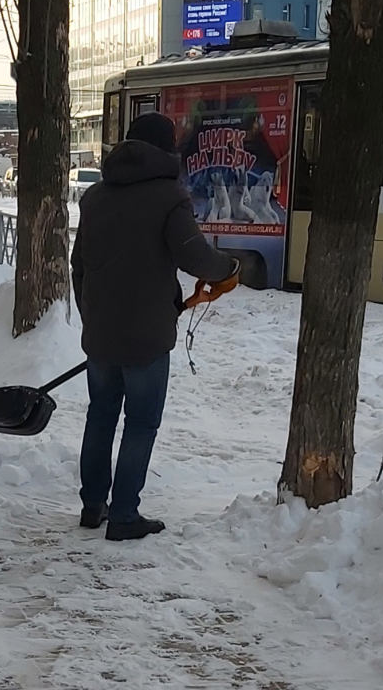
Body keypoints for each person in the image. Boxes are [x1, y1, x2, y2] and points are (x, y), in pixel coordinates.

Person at [71, 112, 240, 542]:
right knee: (141, 422)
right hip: (147, 337)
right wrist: (230, 269)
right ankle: (124, 514)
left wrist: (93, 315)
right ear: (166, 150)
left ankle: (93, 505)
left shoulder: (94, 198)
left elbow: (79, 266)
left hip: (101, 336)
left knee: (101, 415)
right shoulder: (168, 197)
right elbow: (194, 256)